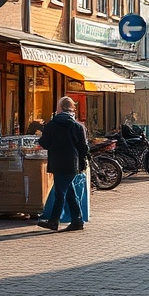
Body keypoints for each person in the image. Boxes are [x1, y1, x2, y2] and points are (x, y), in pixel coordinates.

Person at [36, 96, 90, 232]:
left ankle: (54, 221)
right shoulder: (78, 126)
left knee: (60, 193)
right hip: (72, 163)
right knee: (68, 192)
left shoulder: (51, 125)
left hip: (57, 162)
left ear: (59, 108)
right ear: (72, 108)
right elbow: (84, 148)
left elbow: (44, 143)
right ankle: (77, 221)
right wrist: (82, 161)